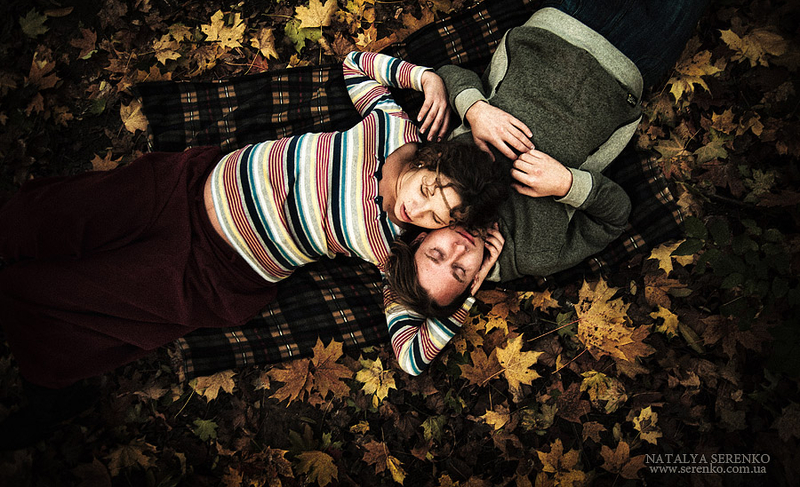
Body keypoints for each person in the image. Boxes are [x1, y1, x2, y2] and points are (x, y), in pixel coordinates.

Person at [0, 51, 506, 447]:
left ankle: (44, 379)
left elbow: (410, 357)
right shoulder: (392, 126)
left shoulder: (387, 246)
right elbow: (356, 64)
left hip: (213, 267)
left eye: (438, 219)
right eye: (429, 192)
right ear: (431, 160)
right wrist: (425, 79)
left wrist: (471, 288)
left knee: (88, 293)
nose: (419, 211)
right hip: (186, 186)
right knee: (55, 216)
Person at [385, 0, 725, 374]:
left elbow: (452, 74)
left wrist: (475, 111)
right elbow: (615, 218)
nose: (459, 248)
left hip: (571, 14)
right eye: (459, 270)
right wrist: (567, 185)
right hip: (637, 57)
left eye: (437, 252)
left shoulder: (442, 185)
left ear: (422, 238)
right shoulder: (536, 255)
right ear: (473, 281)